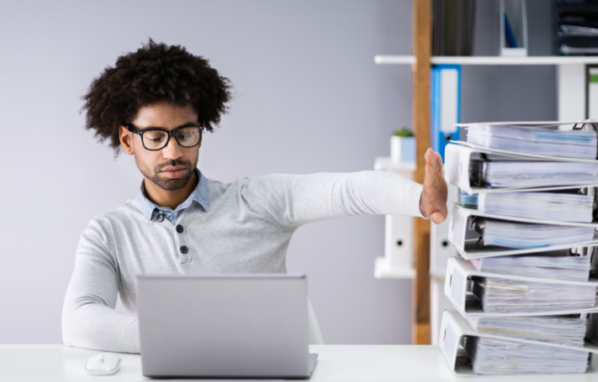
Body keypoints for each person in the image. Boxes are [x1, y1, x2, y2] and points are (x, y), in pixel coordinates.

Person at [61, 40, 448, 353]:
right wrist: (185, 338)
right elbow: (79, 320)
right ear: (128, 140)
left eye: (186, 133)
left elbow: (348, 191)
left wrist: (420, 199)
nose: (173, 152)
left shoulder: (255, 201)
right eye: (156, 136)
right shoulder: (108, 234)